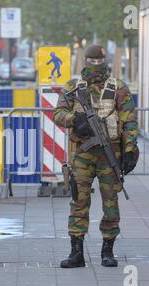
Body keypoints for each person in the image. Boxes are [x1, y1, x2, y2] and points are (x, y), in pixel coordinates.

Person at [54, 44, 139, 268]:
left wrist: (130, 149)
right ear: (85, 61)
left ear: (105, 61)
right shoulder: (73, 86)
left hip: (110, 152)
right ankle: (76, 252)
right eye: (92, 61)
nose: (96, 65)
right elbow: (58, 113)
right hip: (82, 153)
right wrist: (76, 120)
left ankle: (107, 251)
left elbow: (129, 120)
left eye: (99, 61)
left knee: (111, 202)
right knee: (79, 201)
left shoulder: (118, 87)